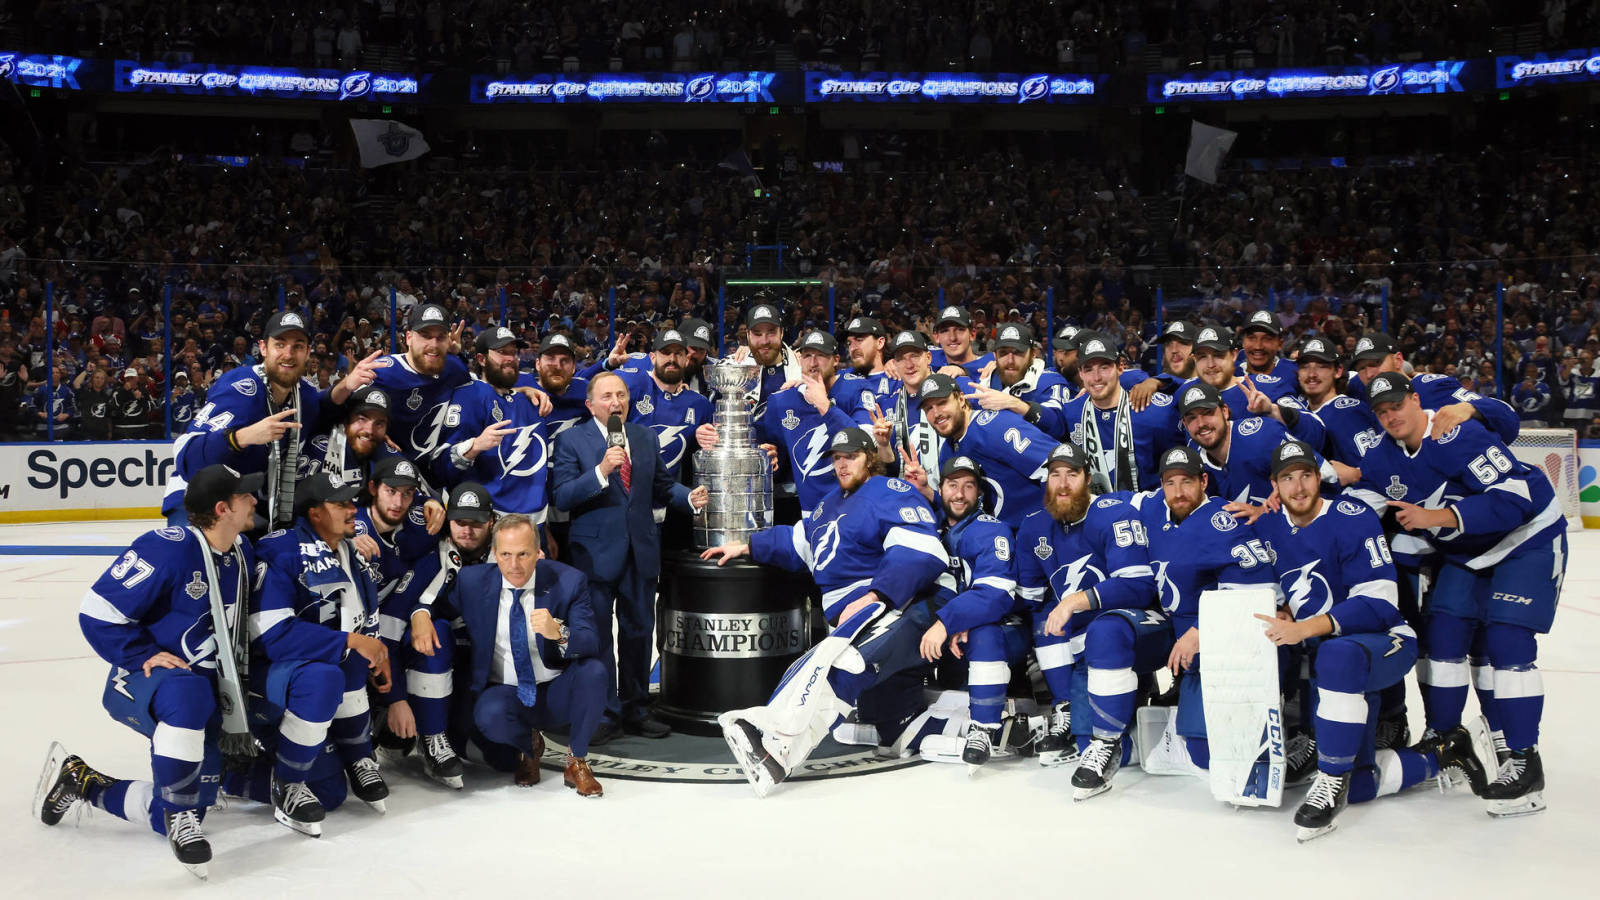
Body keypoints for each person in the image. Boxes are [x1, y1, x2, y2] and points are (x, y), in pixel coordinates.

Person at [1354, 372, 1565, 817]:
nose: (1391, 415)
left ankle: (1526, 760)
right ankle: (1445, 736)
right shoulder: (1380, 455)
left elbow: (1514, 498)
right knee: (1443, 637)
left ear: (1415, 399)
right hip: (1466, 553)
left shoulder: (1454, 432)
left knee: (1508, 641)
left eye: (1397, 404)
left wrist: (1437, 516)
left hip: (1525, 539)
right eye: (1382, 411)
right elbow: (1364, 499)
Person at [37, 465, 262, 879]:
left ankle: (84, 783)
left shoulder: (241, 552)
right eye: (245, 495)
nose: (254, 500)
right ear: (221, 508)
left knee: (189, 805)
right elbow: (96, 612)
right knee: (189, 696)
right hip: (150, 682)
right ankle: (180, 813)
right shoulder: (169, 547)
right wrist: (141, 653)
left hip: (207, 690)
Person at [1253, 440, 1484, 841]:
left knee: (1338, 655)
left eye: (1306, 475)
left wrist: (1305, 627)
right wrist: (1283, 609)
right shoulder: (1269, 525)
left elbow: (1379, 602)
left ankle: (1328, 778)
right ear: (1275, 485)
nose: (1299, 487)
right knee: (1359, 786)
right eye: (1287, 478)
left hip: (1384, 642)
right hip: (1332, 659)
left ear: (1318, 477)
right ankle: (1446, 753)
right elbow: (1273, 585)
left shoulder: (1351, 516)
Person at [702, 427, 951, 797]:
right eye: (836, 458)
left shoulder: (888, 491)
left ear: (870, 457)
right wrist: (748, 546)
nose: (842, 464)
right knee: (843, 685)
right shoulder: (828, 504)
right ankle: (772, 734)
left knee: (843, 662)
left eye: (850, 456)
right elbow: (798, 542)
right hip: (857, 615)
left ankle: (777, 748)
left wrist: (877, 594)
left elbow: (924, 551)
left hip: (899, 604)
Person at [550, 372, 709, 739]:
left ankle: (636, 709)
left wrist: (688, 498)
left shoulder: (643, 436)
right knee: (600, 637)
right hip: (594, 554)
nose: (616, 402)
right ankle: (605, 713)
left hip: (641, 550)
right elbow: (562, 496)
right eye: (607, 396)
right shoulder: (572, 440)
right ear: (590, 404)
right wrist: (601, 471)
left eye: (621, 394)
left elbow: (662, 487)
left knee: (639, 633)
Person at [243, 471, 393, 837]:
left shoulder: (348, 548)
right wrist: (352, 642)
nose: (352, 508)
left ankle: (358, 756)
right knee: (330, 672)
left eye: (351, 501)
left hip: (317, 678)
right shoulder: (281, 551)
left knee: (331, 791)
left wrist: (374, 650)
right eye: (340, 503)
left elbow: (361, 617)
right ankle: (278, 781)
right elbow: (272, 634)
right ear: (314, 514)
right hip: (269, 681)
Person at [425, 514, 609, 796]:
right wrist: (420, 615)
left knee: (594, 672)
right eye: (506, 554)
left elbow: (590, 639)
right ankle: (529, 748)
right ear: (494, 554)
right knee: (488, 714)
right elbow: (438, 608)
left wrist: (559, 631)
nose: (514, 565)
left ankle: (577, 761)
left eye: (523, 554)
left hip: (555, 690)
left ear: (538, 552)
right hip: (507, 693)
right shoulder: (472, 582)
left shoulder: (569, 581)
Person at [1014, 442, 1160, 778]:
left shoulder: (1113, 512)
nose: (1063, 484)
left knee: (1104, 630)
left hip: (1136, 631)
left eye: (1072, 474)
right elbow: (1032, 597)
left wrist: (1074, 601)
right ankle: (1079, 711)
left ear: (1087, 478)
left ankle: (1150, 705)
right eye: (1055, 475)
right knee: (1085, 744)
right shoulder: (1034, 527)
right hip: (1086, 647)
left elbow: (1139, 586)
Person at [1132, 446, 1278, 773]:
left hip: (1226, 648)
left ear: (1204, 481)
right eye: (1170, 483)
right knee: (1200, 752)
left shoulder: (1223, 521)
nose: (1179, 491)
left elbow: (1258, 594)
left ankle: (1286, 729)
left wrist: (1201, 631)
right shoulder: (1155, 508)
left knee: (1214, 752)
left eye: (1187, 482)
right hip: (1184, 646)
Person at [163, 310, 380, 529]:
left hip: (250, 505)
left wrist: (349, 389)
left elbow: (320, 410)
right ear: (264, 348)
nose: (289, 354)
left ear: (307, 352)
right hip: (198, 500)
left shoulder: (303, 393)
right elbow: (186, 457)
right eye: (280, 344)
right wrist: (243, 436)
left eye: (298, 346)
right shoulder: (241, 390)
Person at [915, 455, 1024, 772]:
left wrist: (947, 622)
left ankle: (985, 728)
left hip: (1003, 628)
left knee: (984, 631)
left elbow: (996, 595)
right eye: (953, 485)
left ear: (980, 493)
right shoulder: (934, 526)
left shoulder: (990, 530)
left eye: (968, 486)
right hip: (955, 634)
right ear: (941, 488)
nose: (960, 494)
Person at [393, 482, 498, 788]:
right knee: (434, 637)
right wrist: (420, 613)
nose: (467, 531)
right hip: (448, 653)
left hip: (486, 663)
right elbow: (400, 609)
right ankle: (430, 734)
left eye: (476, 523)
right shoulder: (433, 552)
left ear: (491, 521)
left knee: (500, 756)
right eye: (460, 522)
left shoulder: (508, 550)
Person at [749, 329, 877, 515]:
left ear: (836, 360)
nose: (813, 362)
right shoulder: (781, 401)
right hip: (810, 513)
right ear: (800, 360)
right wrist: (768, 455)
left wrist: (826, 407)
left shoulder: (856, 388)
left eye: (821, 355)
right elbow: (767, 449)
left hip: (858, 506)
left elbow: (868, 443)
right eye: (807, 355)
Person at [440, 326, 551, 520]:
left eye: (513, 353)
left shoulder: (530, 399)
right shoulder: (470, 396)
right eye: (501, 353)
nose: (510, 358)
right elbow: (444, 465)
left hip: (536, 521)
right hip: (489, 520)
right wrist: (472, 447)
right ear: (482, 359)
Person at [920, 372, 1055, 529]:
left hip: (1040, 534)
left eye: (942, 403)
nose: (936, 413)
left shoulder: (995, 427)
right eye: (928, 408)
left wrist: (1049, 528)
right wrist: (926, 491)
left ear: (961, 400)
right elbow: (960, 506)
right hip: (999, 539)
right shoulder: (947, 450)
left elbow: (1056, 465)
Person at [1059, 330, 1182, 493]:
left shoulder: (1154, 412)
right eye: (1088, 369)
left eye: (1104, 367)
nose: (1096, 377)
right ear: (1080, 373)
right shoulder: (1071, 411)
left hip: (1143, 512)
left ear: (1120, 367)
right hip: (1093, 511)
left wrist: (1158, 381)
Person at [1180, 381, 1330, 511]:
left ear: (1225, 412)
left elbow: (1328, 475)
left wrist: (1267, 512)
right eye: (1192, 418)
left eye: (1208, 413)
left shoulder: (1263, 435)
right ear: (1185, 425)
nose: (1201, 424)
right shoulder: (1193, 458)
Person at [965, 323, 1072, 439]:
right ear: (995, 356)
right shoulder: (984, 380)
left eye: (1018, 353)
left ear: (1032, 355)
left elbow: (1059, 426)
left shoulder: (1049, 380)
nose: (1010, 360)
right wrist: (958, 368)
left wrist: (1015, 404)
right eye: (1004, 353)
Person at [1235, 310, 1299, 401]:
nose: (1258, 346)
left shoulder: (1294, 371)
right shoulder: (1231, 372)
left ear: (1280, 344)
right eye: (1251, 338)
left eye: (1267, 339)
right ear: (1243, 342)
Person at [843, 315, 895, 400]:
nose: (852, 348)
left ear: (880, 343)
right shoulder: (840, 378)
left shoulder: (897, 377)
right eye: (849, 343)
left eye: (859, 340)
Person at [112, 367, 156, 439]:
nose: (129, 380)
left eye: (132, 377)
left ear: (137, 378)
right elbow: (112, 408)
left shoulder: (144, 390)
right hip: (122, 430)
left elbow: (152, 408)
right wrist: (123, 392)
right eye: (127, 378)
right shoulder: (118, 391)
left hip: (141, 429)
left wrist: (141, 399)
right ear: (125, 379)